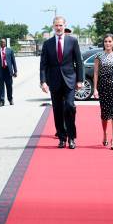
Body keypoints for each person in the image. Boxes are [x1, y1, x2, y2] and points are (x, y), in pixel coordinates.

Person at [40, 16, 84, 149]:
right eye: (56, 25)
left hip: (70, 80)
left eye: (60, 25)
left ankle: (71, 137)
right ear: (53, 26)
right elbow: (43, 64)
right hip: (54, 81)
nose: (58, 28)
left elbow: (79, 61)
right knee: (57, 110)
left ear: (65, 26)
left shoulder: (73, 41)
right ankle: (62, 138)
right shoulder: (47, 44)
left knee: (70, 106)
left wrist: (80, 80)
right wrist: (43, 82)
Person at [92, 34, 113, 150]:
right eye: (105, 41)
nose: (107, 43)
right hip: (103, 86)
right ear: (103, 43)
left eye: (110, 41)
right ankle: (105, 133)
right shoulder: (98, 56)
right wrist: (95, 89)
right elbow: (95, 73)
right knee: (105, 115)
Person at [0, 38, 17, 106]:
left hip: (8, 71)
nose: (3, 43)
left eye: (4, 42)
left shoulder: (10, 50)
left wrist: (15, 71)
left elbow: (13, 61)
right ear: (0, 43)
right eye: (1, 42)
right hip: (0, 71)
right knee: (1, 86)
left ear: (5, 43)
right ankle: (1, 101)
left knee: (9, 86)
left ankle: (10, 99)